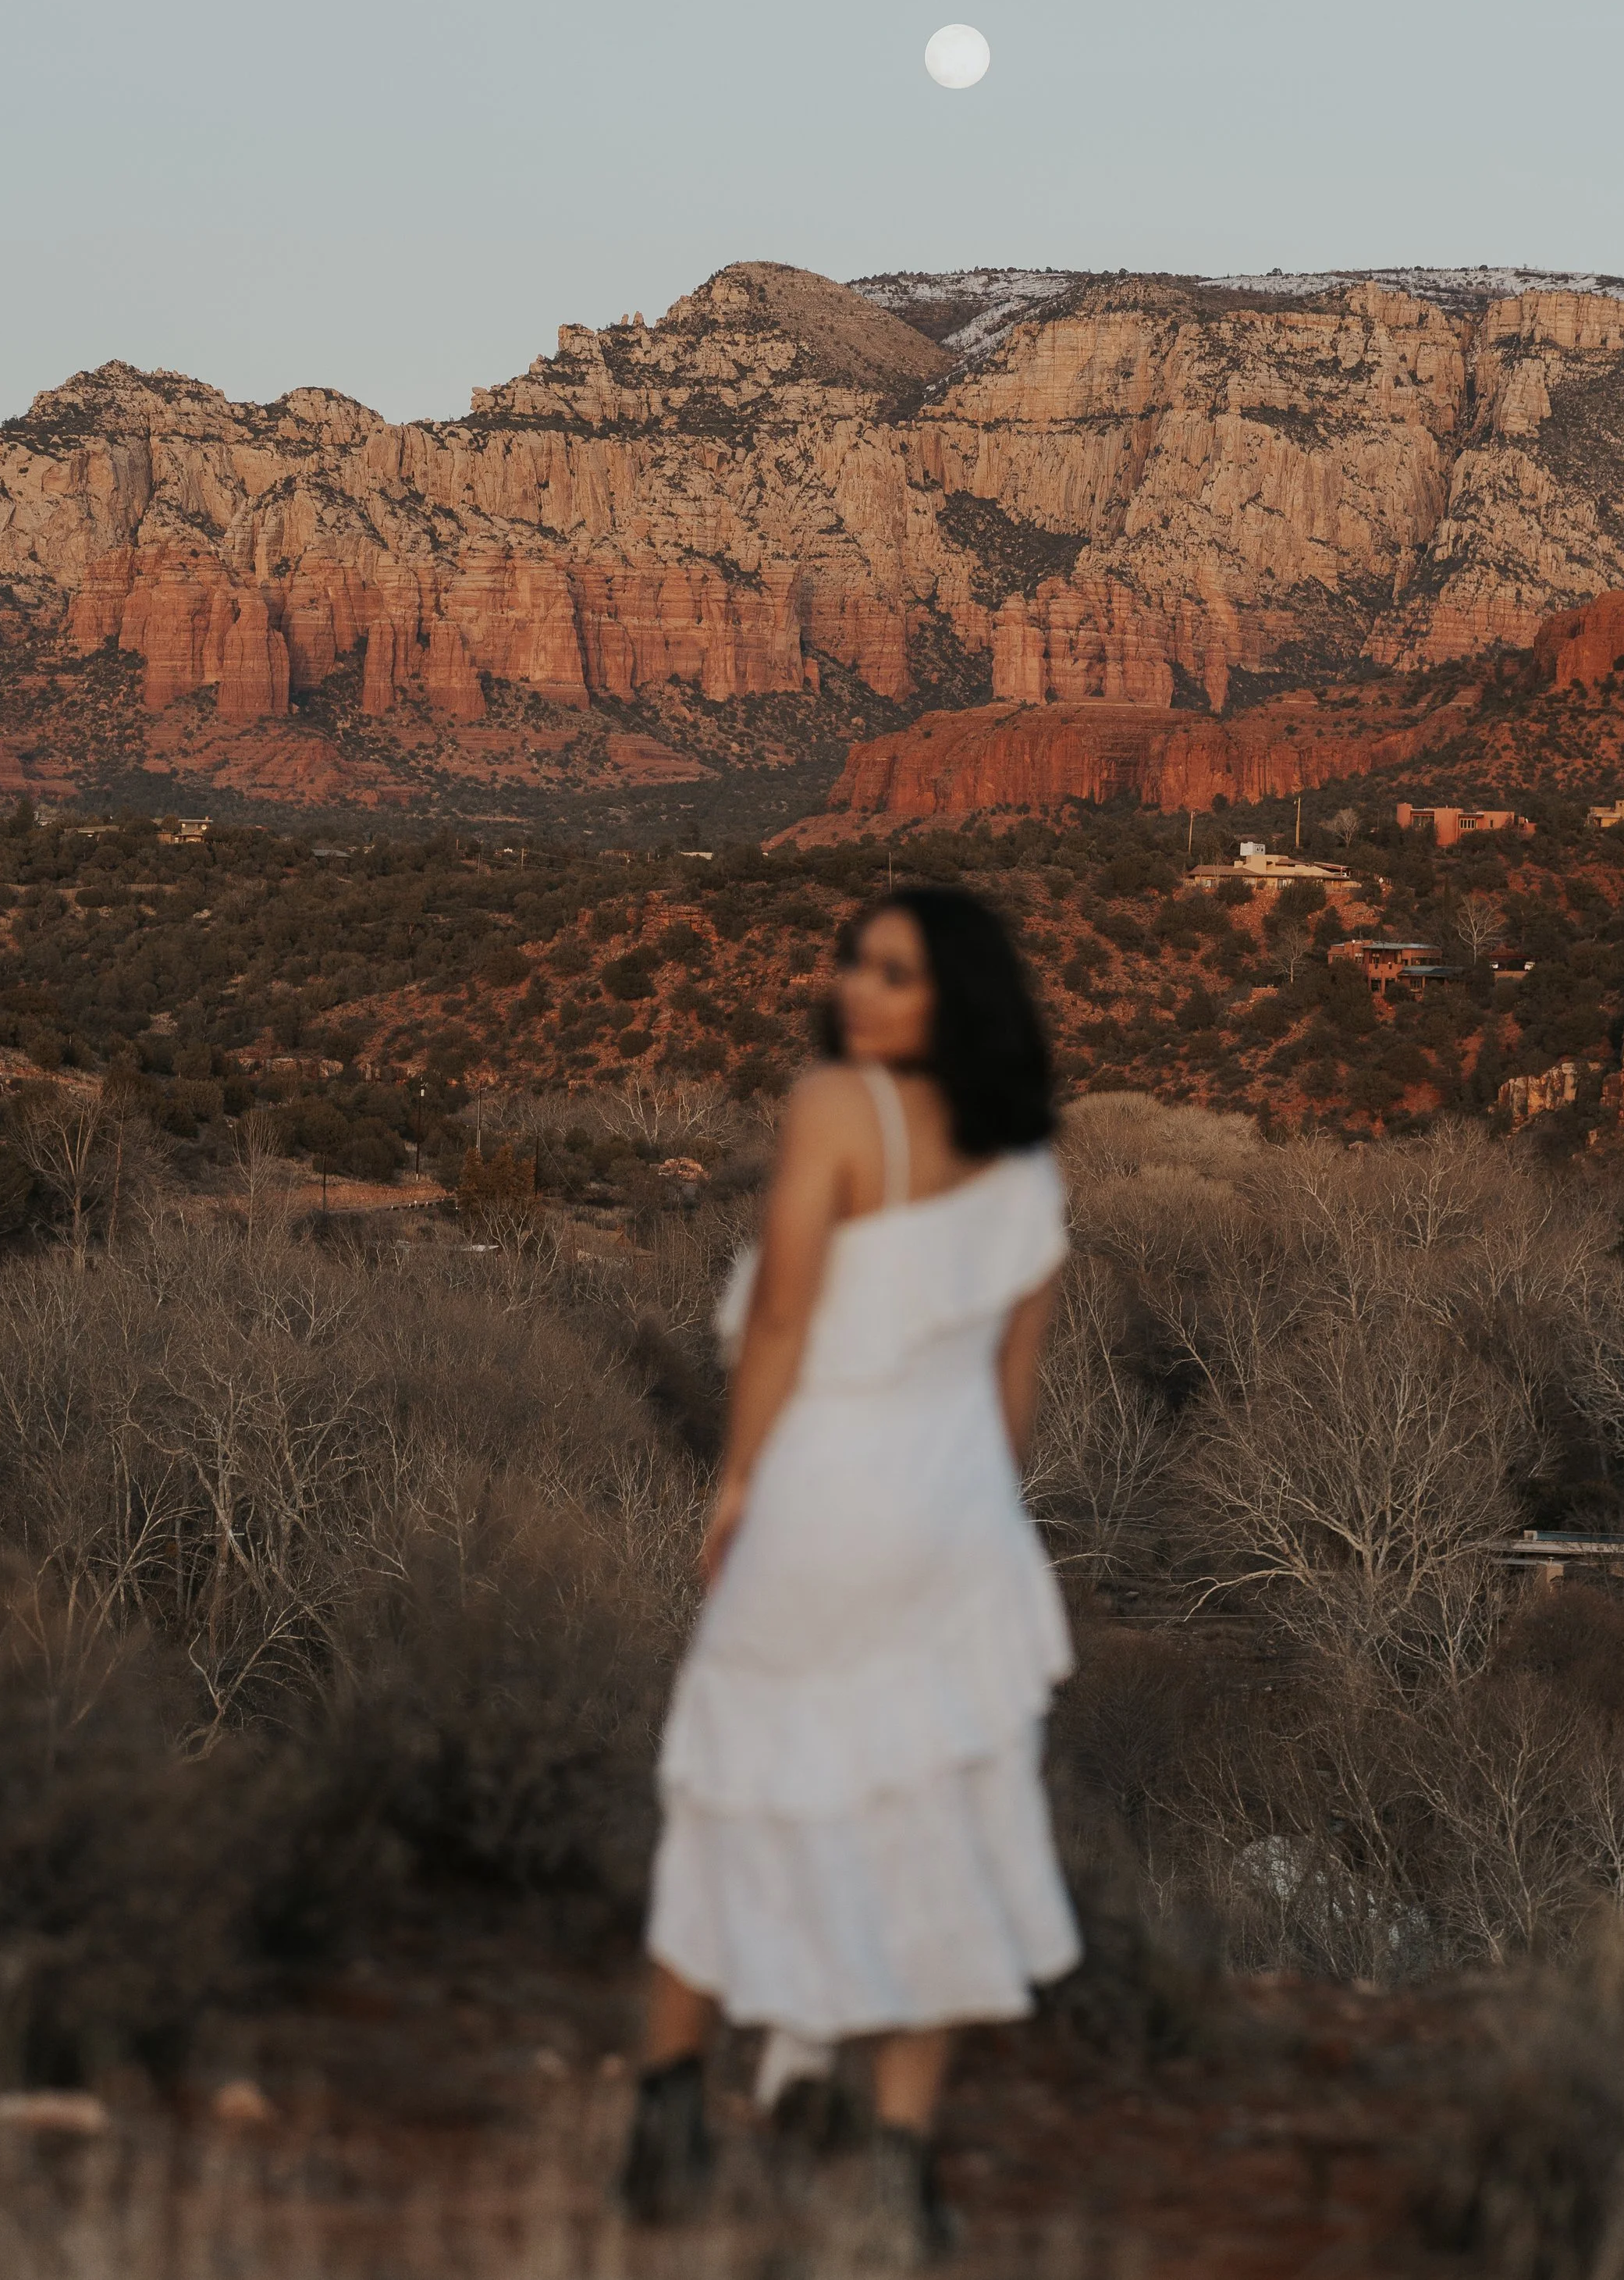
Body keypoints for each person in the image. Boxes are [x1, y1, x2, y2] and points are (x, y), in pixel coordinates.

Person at [619, 886, 1081, 2263]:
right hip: (959, 1513)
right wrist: (978, 1528)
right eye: (853, 964)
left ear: (956, 999)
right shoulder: (1030, 1162)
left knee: (735, 1782)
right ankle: (896, 2156)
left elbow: (778, 1315)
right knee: (939, 1806)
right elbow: (1011, 1396)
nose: (856, 988)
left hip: (829, 1487)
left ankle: (668, 2111)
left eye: (895, 972)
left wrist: (738, 1481)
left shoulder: (836, 1108)